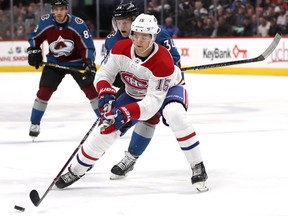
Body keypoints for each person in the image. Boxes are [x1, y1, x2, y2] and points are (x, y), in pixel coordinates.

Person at [55, 13, 208, 192]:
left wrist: (125, 113)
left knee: (175, 114)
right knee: (107, 127)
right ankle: (76, 170)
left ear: (153, 38)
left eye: (145, 36)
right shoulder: (120, 48)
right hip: (134, 92)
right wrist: (105, 94)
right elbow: (104, 74)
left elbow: (152, 104)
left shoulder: (163, 61)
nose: (139, 40)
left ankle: (197, 165)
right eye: (136, 34)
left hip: (167, 92)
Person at [104, 2, 182, 180]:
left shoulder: (158, 33)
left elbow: (174, 59)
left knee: (150, 116)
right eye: (119, 22)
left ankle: (130, 158)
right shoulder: (112, 39)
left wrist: (167, 73)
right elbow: (111, 69)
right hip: (132, 84)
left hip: (157, 84)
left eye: (126, 22)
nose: (122, 26)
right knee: (112, 117)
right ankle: (93, 154)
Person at [27, 0, 98, 141]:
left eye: (62, 9)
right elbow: (34, 37)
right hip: (55, 62)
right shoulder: (45, 22)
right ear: (52, 10)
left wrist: (89, 62)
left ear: (67, 9)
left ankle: (104, 119)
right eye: (56, 9)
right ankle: (34, 123)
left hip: (77, 63)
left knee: (90, 90)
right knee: (43, 92)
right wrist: (34, 48)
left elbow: (87, 46)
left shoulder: (77, 24)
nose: (59, 12)